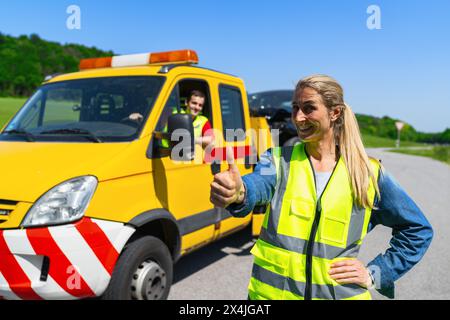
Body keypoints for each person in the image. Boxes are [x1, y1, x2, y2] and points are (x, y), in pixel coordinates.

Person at [210, 74, 433, 300]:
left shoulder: (368, 173)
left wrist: (375, 274)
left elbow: (417, 230)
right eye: (295, 107)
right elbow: (257, 185)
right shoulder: (277, 160)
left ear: (334, 113)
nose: (298, 117)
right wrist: (239, 192)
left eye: (309, 108)